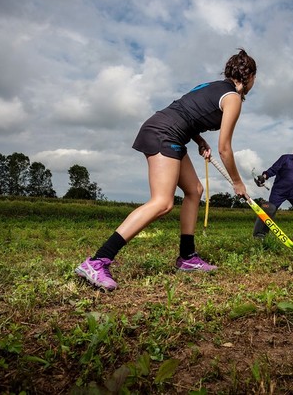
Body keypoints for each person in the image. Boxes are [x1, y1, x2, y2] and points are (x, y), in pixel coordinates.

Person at [76, 49, 256, 290]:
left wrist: (199, 140)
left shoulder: (210, 87)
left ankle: (187, 258)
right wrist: (237, 182)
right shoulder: (232, 98)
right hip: (164, 134)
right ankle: (97, 261)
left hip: (169, 132)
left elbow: (186, 113)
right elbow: (225, 148)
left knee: (194, 190)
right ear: (250, 77)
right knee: (162, 202)